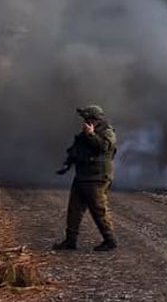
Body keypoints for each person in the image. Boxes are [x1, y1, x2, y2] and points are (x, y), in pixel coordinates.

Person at [53, 105, 118, 252]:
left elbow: (103, 147)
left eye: (88, 118)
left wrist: (91, 135)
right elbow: (76, 151)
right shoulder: (84, 134)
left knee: (98, 210)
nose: (86, 121)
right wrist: (67, 164)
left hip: (97, 178)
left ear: (96, 119)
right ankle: (70, 241)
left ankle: (109, 240)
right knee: (74, 211)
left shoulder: (107, 132)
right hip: (82, 176)